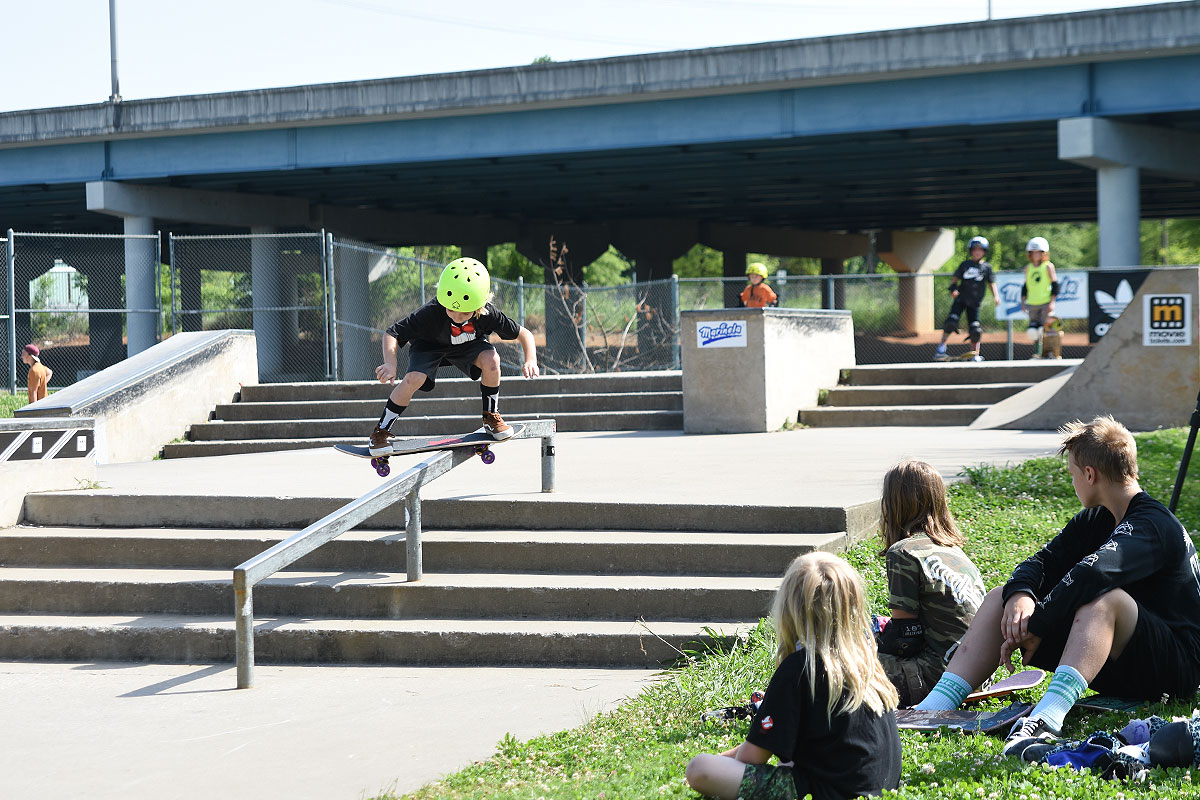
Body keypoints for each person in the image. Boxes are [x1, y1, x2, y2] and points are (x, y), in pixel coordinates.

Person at [910, 416, 1200, 753]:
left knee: (1105, 601)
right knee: (999, 598)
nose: (1073, 481)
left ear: (1089, 474)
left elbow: (1095, 574)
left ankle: (1046, 719)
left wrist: (1040, 623)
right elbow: (1042, 562)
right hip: (1124, 658)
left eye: (1073, 473)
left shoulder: (1153, 524)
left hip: (1175, 672)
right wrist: (1020, 595)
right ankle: (933, 706)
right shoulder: (1098, 518)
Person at [685, 552, 901, 800]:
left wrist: (719, 760)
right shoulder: (866, 665)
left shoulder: (800, 668)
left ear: (789, 608)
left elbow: (751, 758)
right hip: (879, 788)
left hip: (824, 792)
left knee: (700, 768)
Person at [368, 257, 539, 453]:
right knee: (412, 380)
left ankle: (491, 416)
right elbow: (393, 332)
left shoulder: (488, 313)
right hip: (429, 345)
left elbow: (524, 334)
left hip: (468, 346)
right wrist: (390, 363)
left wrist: (531, 359)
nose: (456, 317)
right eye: (451, 310)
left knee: (492, 360)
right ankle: (380, 431)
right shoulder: (431, 312)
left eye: (464, 314)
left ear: (479, 306)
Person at [876, 459, 986, 707]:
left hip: (935, 679)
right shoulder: (956, 552)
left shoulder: (903, 552)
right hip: (976, 676)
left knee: (831, 659)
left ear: (893, 504)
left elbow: (907, 639)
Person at [934, 236, 998, 362]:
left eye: (980, 249)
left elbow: (991, 283)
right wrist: (953, 290)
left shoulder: (986, 267)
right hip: (961, 300)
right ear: (971, 251)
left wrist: (996, 296)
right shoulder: (965, 265)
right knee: (951, 322)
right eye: (975, 249)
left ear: (984, 251)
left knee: (975, 329)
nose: (977, 252)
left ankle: (975, 354)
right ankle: (940, 349)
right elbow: (955, 280)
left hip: (974, 303)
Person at [1021, 236, 1058, 359]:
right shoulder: (1028, 268)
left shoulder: (1048, 266)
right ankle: (1037, 353)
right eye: (1033, 252)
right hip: (1032, 303)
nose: (1036, 255)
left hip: (1045, 302)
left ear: (1044, 253)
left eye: (1038, 252)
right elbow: (1025, 286)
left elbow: (1055, 285)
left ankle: (1049, 353)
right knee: (1033, 331)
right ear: (1030, 254)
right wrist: (1023, 302)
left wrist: (1052, 302)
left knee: (1045, 330)